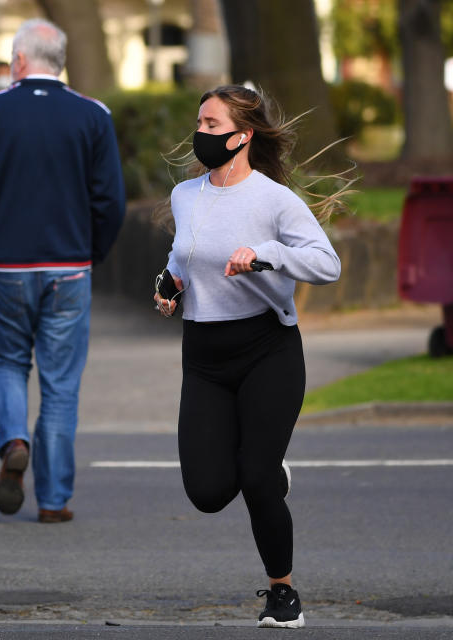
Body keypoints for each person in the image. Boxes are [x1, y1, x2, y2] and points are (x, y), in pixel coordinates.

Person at [154, 85, 343, 628]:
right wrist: (169, 284)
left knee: (256, 478)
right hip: (204, 356)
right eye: (201, 124)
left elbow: (326, 263)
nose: (202, 134)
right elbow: (182, 255)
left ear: (244, 136)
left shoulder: (273, 200)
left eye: (213, 126)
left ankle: (282, 594)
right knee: (208, 492)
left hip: (267, 348)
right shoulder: (185, 195)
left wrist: (265, 255)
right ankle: (262, 462)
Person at [0, 19, 125, 524]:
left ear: (20, 61)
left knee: (7, 362)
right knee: (61, 383)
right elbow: (109, 200)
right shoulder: (93, 116)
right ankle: (54, 500)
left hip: (6, 264)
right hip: (69, 266)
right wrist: (93, 252)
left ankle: (13, 439)